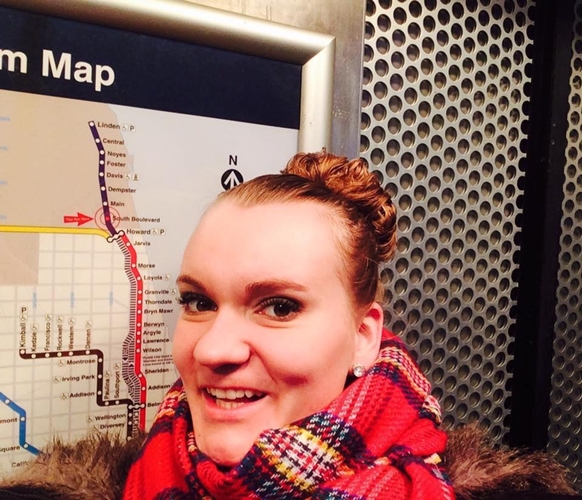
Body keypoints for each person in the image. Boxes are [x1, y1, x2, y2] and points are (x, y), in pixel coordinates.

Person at [122, 151, 455, 499]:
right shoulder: (139, 471)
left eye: (279, 308)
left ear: (361, 337)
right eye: (199, 303)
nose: (212, 350)